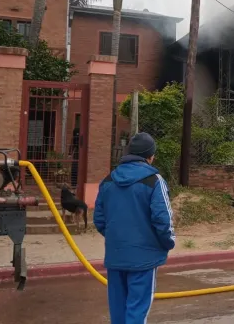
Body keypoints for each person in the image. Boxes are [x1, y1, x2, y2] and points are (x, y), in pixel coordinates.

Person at [94, 132, 176, 324]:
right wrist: (168, 242)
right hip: (144, 259)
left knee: (118, 311)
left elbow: (99, 219)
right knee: (137, 311)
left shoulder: (108, 181)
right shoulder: (154, 181)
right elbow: (163, 220)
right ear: (150, 156)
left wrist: (118, 238)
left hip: (116, 255)